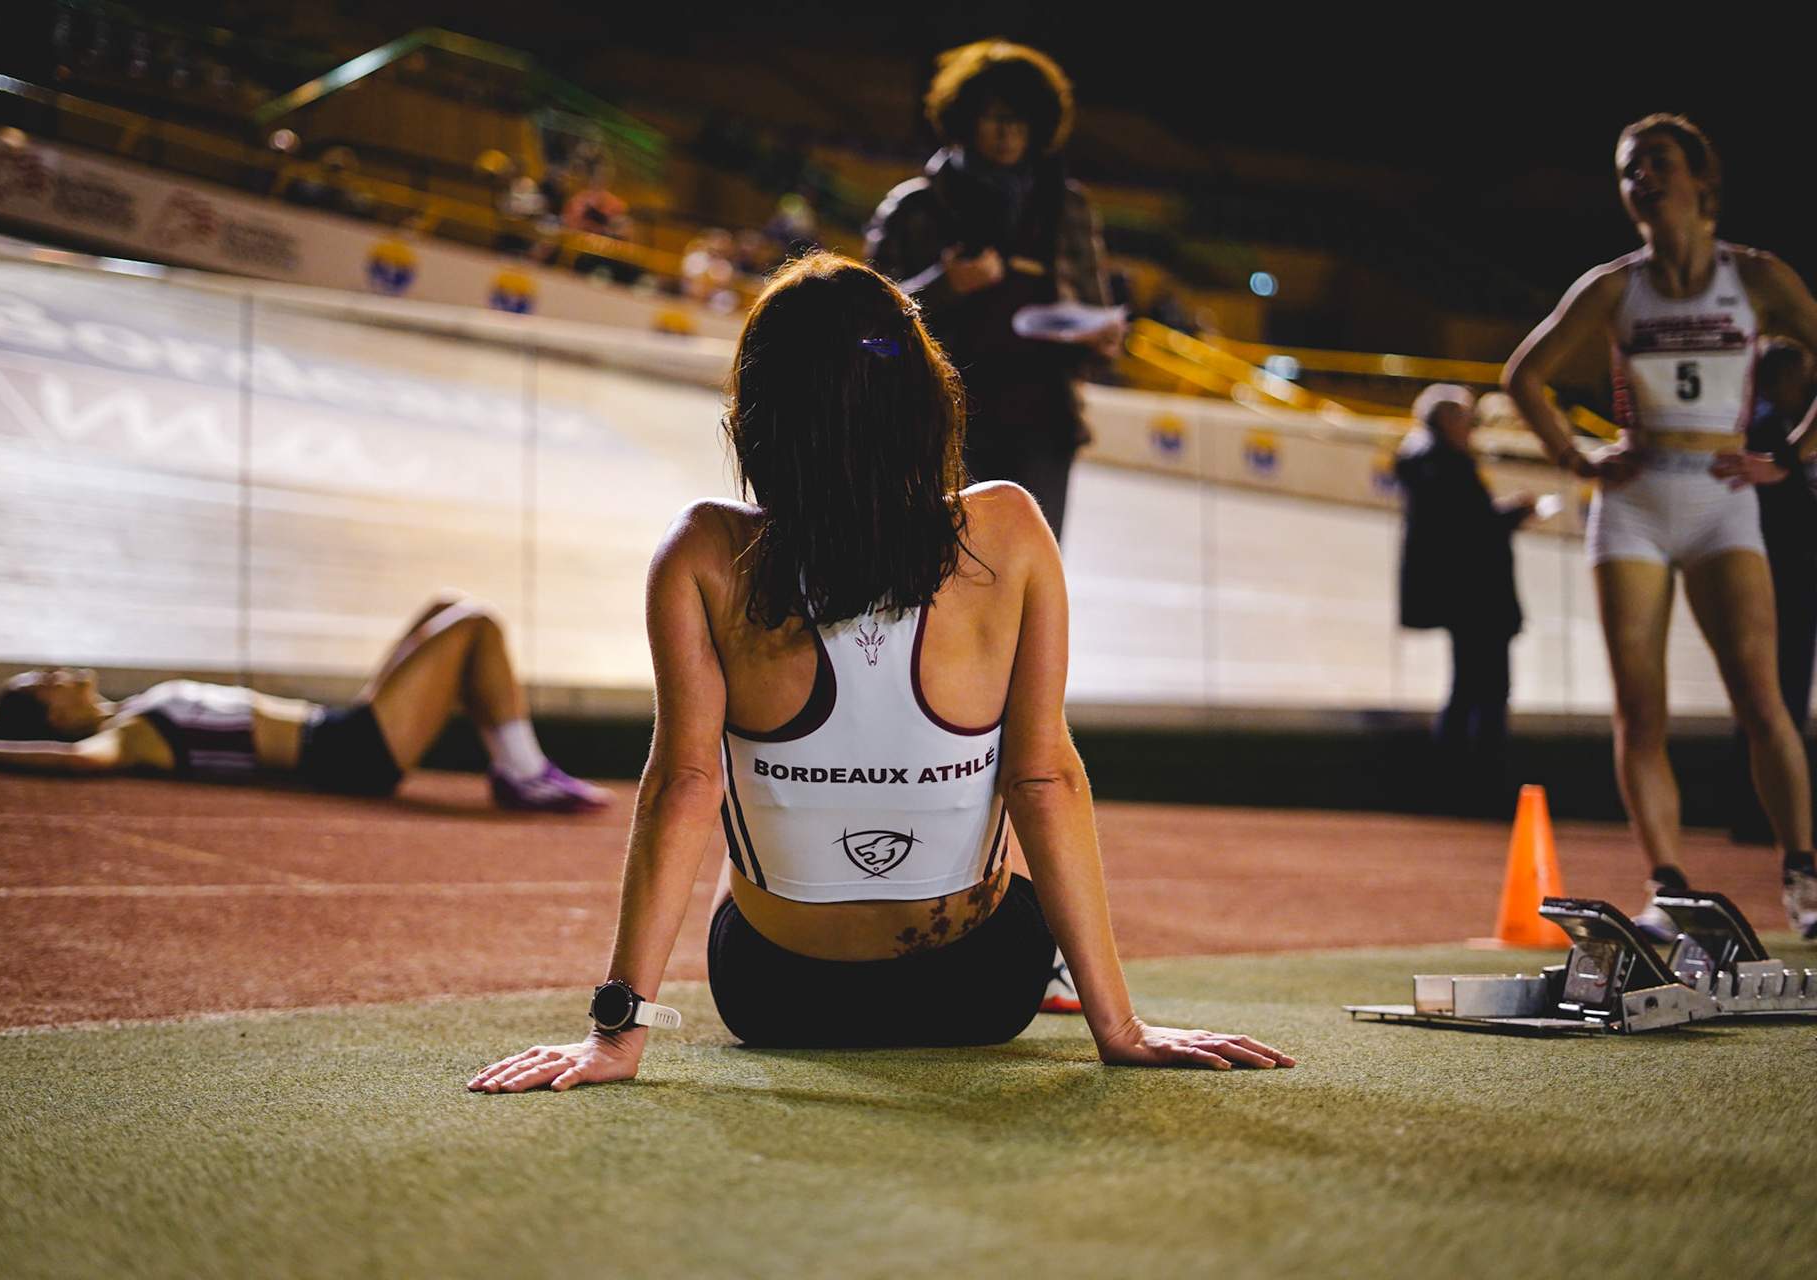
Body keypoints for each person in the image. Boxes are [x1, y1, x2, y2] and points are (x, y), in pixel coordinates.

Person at [468, 254, 1294, 1093]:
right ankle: (1053, 978)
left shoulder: (703, 550)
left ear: (756, 417)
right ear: (925, 401)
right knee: (1008, 850)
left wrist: (615, 1034)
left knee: (742, 809)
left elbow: (684, 784)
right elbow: (1043, 779)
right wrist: (1119, 1026)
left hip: (775, 997)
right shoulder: (1007, 530)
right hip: (980, 989)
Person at [1502, 114, 1817, 941]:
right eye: (1626, 168)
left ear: (1702, 182)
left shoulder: (1754, 276)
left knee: (1762, 696)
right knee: (1640, 710)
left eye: (1656, 162)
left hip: (1721, 497)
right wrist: (1575, 458)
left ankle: (1804, 877)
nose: (1639, 177)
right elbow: (1523, 375)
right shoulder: (1614, 285)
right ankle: (1668, 889)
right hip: (1636, 500)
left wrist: (1792, 453)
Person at [0, 593, 610, 813]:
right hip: (348, 754)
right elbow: (69, 762)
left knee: (446, 609)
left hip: (341, 730)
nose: (55, 670)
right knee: (475, 624)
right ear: (54, 714)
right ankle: (520, 771)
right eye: (42, 682)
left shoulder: (134, 712)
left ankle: (517, 768)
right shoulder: (130, 737)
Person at [865, 39, 1118, 541]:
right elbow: (869, 336)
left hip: (1041, 425)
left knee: (1025, 584)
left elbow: (1097, 316)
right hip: (938, 423)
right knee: (934, 575)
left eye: (1021, 121)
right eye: (995, 117)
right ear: (963, 119)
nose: (1008, 133)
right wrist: (944, 287)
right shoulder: (914, 207)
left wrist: (1102, 338)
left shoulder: (1067, 209)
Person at [1395, 384, 1535, 814]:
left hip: (1465, 596)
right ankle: (1478, 787)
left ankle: (1457, 783)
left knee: (1470, 688)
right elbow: (1467, 529)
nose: (1472, 425)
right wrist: (1510, 514)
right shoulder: (1443, 464)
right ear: (1445, 421)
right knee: (1485, 691)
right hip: (1477, 596)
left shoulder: (1428, 461)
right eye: (1465, 417)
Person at [1730, 339, 1817, 842]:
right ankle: (1763, 814)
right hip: (1781, 577)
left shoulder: (1775, 423)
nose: (1805, 385)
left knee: (1773, 696)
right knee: (1775, 696)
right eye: (1800, 375)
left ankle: (1762, 813)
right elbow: (1785, 509)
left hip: (1784, 574)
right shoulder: (1766, 425)